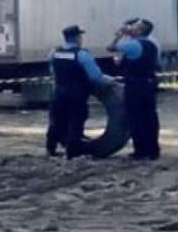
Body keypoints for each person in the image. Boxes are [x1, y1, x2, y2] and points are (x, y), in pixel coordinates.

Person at [46, 25, 111, 159]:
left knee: (56, 121)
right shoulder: (82, 54)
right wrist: (109, 82)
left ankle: (50, 148)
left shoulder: (54, 52)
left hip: (58, 92)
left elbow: (53, 70)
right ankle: (72, 152)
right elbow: (95, 77)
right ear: (77, 38)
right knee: (75, 122)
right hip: (76, 95)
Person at [108, 18, 160, 160]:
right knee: (150, 117)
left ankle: (140, 151)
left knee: (136, 118)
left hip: (135, 86)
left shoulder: (133, 45)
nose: (132, 28)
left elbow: (111, 48)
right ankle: (153, 150)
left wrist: (119, 35)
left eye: (135, 27)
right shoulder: (154, 44)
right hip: (150, 85)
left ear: (140, 30)